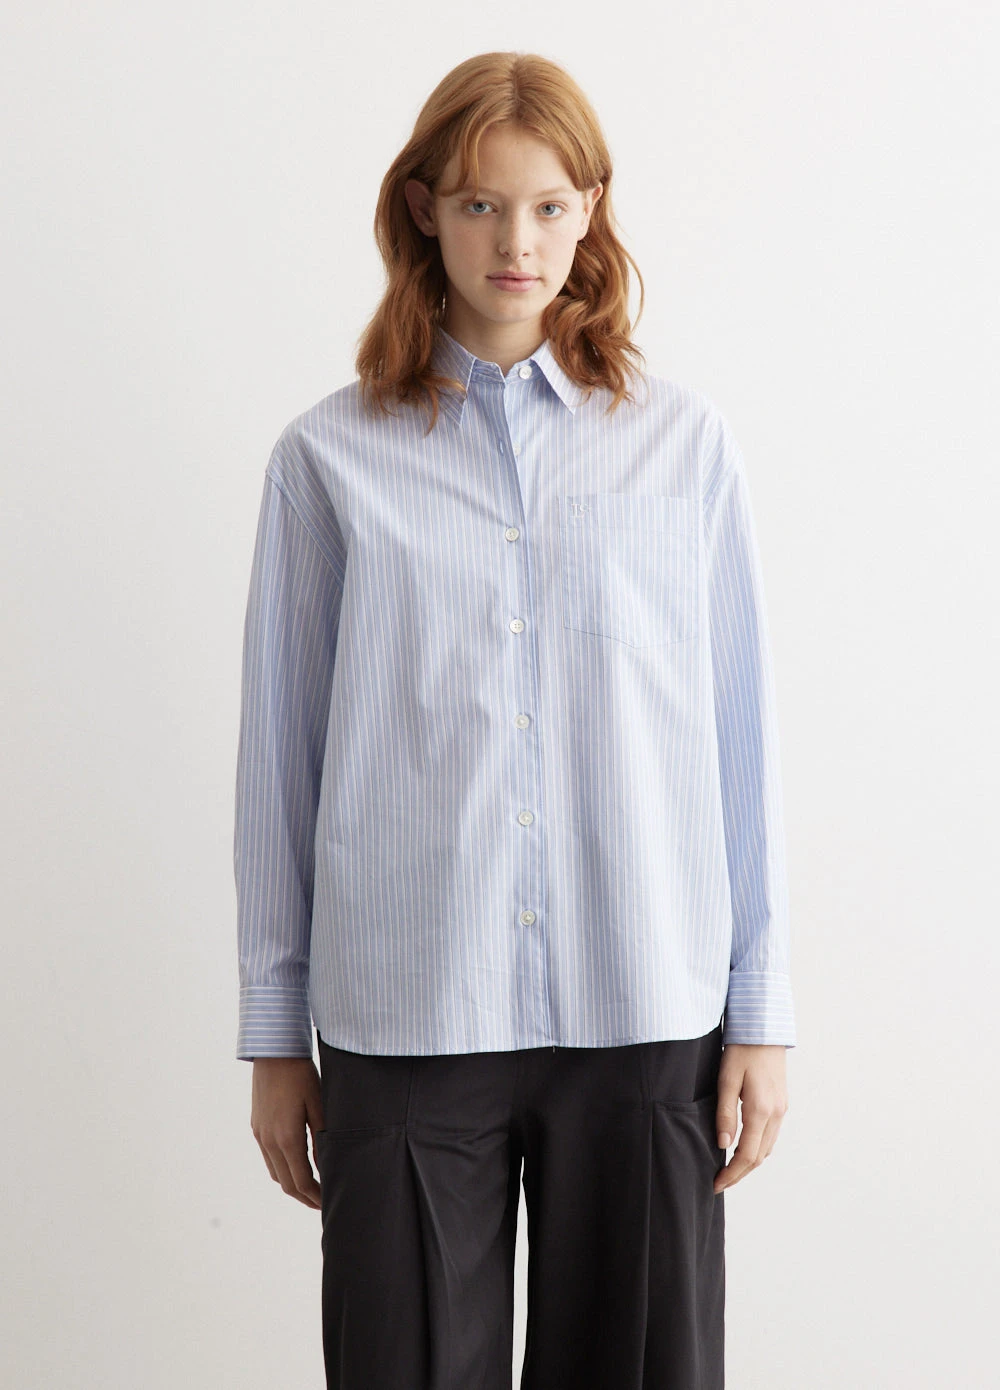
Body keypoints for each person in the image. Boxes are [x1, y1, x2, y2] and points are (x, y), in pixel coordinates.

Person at [233, 49, 796, 1390]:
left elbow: (742, 741)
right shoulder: (326, 460)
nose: (517, 243)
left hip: (644, 997)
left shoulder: (683, 449)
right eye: (482, 205)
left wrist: (762, 1010)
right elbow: (280, 763)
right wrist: (272, 1033)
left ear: (590, 211)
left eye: (548, 206)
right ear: (424, 209)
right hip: (408, 1008)